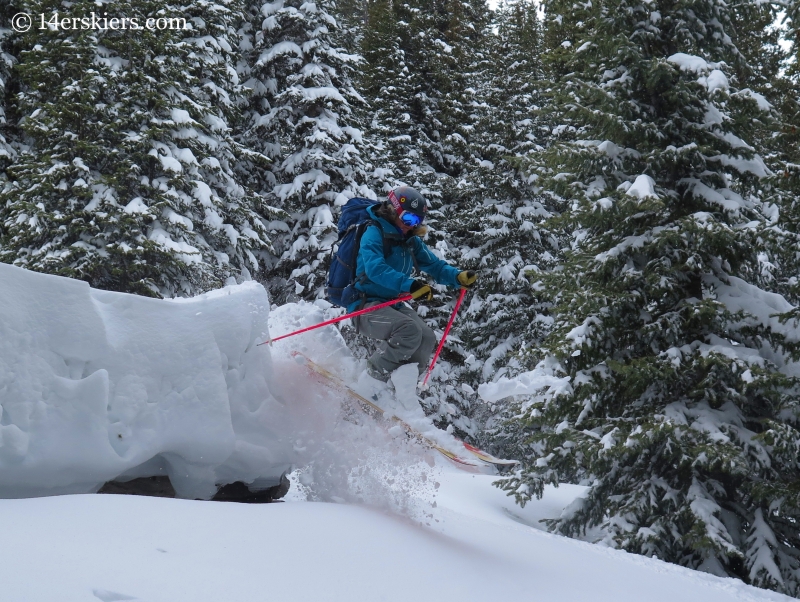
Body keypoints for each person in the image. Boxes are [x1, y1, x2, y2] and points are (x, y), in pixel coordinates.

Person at [349, 186, 477, 382]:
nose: (412, 225)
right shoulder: (373, 232)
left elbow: (433, 265)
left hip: (392, 304)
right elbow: (375, 269)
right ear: (392, 211)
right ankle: (372, 380)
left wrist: (457, 276)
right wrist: (410, 285)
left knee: (426, 338)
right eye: (408, 219)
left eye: (417, 221)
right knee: (409, 330)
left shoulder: (409, 240)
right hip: (365, 306)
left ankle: (401, 388)